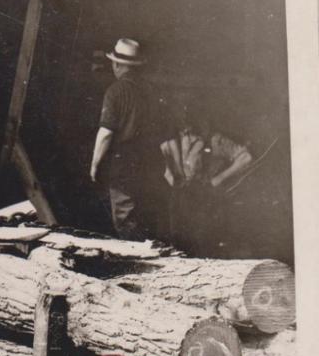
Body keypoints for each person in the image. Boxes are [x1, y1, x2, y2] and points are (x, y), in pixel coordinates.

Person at [89, 38, 162, 239]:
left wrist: (95, 164)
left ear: (117, 64)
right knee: (145, 215)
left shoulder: (115, 91)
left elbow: (106, 133)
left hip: (124, 164)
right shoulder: (152, 91)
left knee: (125, 219)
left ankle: (140, 264)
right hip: (150, 162)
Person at [160, 106, 254, 254]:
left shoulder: (214, 140)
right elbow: (166, 167)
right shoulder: (172, 141)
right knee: (178, 248)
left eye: (189, 115)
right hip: (179, 201)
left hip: (206, 200)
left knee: (205, 247)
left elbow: (246, 158)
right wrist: (173, 179)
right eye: (181, 116)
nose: (185, 121)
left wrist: (220, 178)